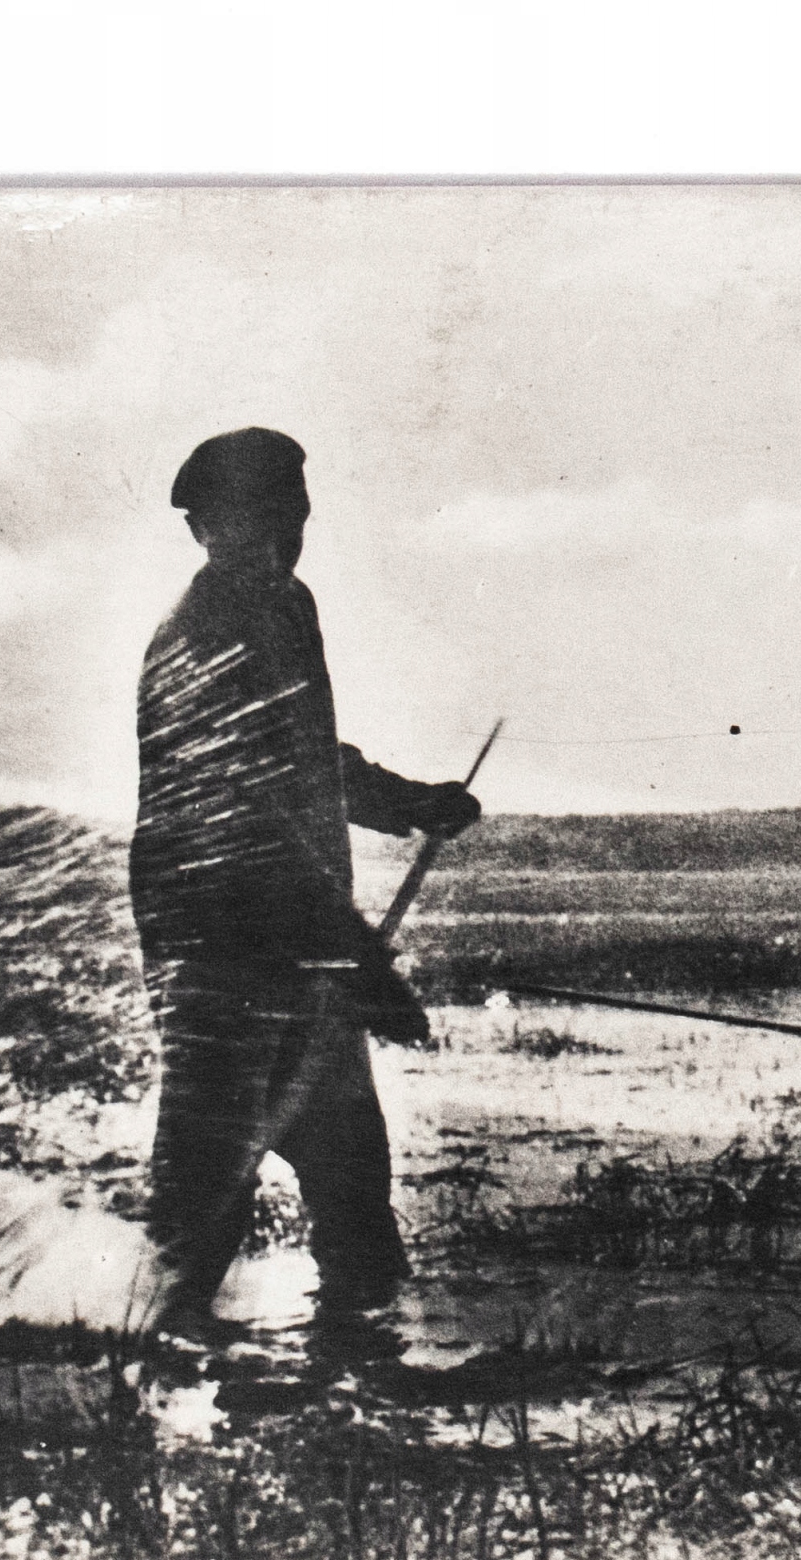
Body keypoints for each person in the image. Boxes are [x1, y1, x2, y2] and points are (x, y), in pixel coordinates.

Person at [129, 427, 481, 1334]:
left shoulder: (288, 608)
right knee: (201, 1212)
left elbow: (306, 757)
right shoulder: (203, 635)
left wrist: (408, 801)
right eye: (257, 520)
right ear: (205, 529)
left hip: (301, 957)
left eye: (292, 517)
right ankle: (137, 1372)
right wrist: (363, 967)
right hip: (220, 957)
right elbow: (245, 837)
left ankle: (352, 1390)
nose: (281, 539)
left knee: (355, 1196)